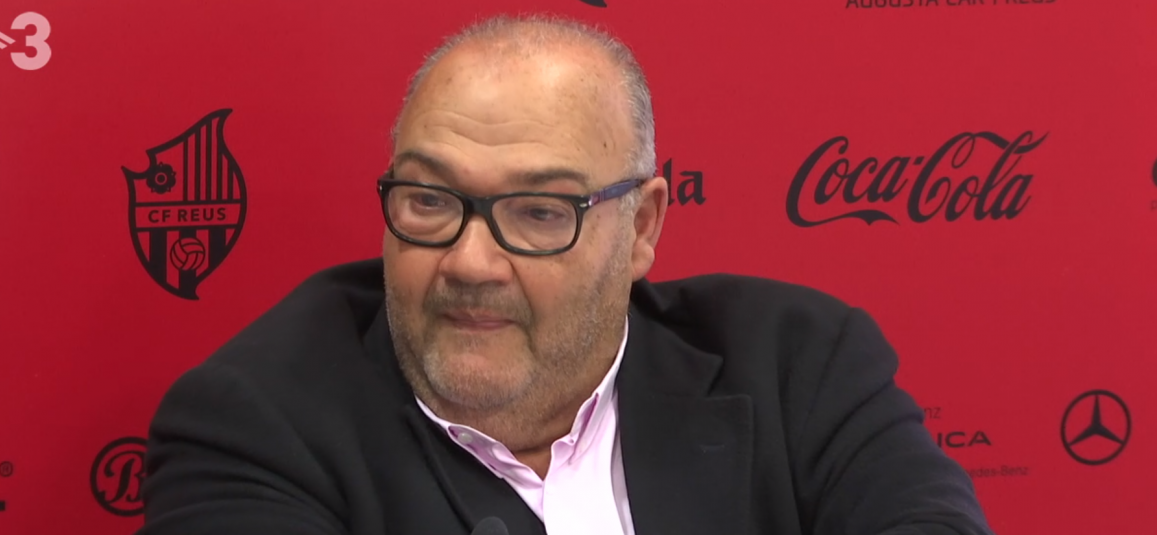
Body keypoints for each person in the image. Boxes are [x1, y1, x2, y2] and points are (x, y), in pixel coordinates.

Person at [138, 14, 993, 535]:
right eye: (430, 201)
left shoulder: (799, 364)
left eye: (539, 212)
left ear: (642, 227)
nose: (471, 261)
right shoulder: (253, 424)